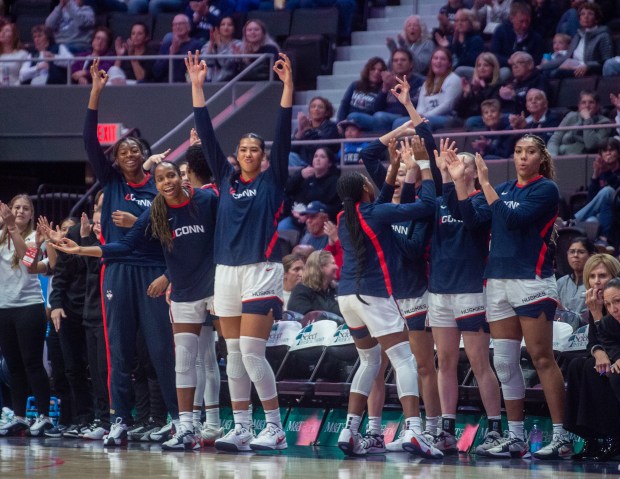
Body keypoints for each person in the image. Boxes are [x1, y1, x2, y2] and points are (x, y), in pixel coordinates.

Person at [55, 161, 219, 451]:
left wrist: (167, 276)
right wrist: (81, 248)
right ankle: (184, 426)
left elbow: (214, 242)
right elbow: (126, 245)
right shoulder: (157, 210)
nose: (167, 181)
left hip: (213, 284)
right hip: (184, 290)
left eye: (172, 175)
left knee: (222, 356)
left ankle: (231, 424)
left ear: (181, 178)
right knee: (183, 360)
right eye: (161, 179)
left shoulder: (205, 200)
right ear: (154, 184)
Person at [187, 50, 294, 451]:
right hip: (225, 272)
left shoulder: (273, 181)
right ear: (237, 155)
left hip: (261, 270)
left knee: (251, 353)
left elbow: (283, 134)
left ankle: (275, 427)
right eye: (244, 149)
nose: (249, 154)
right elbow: (207, 134)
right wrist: (198, 87)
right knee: (231, 354)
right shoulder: (226, 177)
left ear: (264, 157)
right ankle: (244, 427)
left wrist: (287, 89)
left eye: (256, 150)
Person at [82, 59, 179, 446]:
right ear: (116, 160)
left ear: (144, 154)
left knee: (160, 349)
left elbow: (169, 234)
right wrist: (96, 92)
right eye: (123, 151)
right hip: (118, 270)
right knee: (118, 350)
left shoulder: (159, 190)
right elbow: (89, 140)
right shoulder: (110, 182)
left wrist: (137, 220)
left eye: (135, 149)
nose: (130, 154)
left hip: (153, 271)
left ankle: (177, 418)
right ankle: (120, 418)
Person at [457, 134, 569, 459]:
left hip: (531, 281)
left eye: (530, 151)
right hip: (497, 282)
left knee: (541, 357)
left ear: (541, 158)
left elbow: (513, 218)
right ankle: (515, 436)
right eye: (518, 151)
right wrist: (462, 184)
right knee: (504, 361)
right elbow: (473, 220)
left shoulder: (545, 189)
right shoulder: (503, 189)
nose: (522, 157)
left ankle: (561, 435)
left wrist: (486, 184)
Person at [334, 129, 442, 458]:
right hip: (373, 295)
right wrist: (423, 164)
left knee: (368, 361)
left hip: (346, 298)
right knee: (404, 360)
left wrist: (394, 166)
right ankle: (413, 430)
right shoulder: (378, 213)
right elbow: (426, 205)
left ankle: (350, 430)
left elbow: (380, 199)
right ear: (365, 190)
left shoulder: (344, 217)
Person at [432, 146, 503, 457]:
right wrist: (444, 176)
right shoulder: (440, 201)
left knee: (478, 362)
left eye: (460, 161)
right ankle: (446, 430)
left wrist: (455, 182)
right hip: (439, 290)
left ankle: (496, 428)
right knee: (444, 362)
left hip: (471, 288)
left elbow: (471, 222)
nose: (454, 164)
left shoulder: (484, 201)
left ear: (474, 172)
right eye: (451, 161)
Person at [0, 196, 52, 437]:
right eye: (16, 207)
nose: (20, 211)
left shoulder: (34, 238)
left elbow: (29, 262)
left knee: (32, 363)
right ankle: (19, 416)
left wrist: (12, 228)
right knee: (14, 365)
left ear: (31, 214)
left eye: (25, 208)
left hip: (29, 306)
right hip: (4, 307)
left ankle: (43, 416)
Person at [565, 277, 620, 460]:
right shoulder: (604, 312)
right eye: (609, 304)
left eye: (602, 276)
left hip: (610, 365)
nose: (614, 309)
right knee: (578, 365)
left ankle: (612, 436)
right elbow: (597, 342)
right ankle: (590, 436)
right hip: (605, 358)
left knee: (606, 372)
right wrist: (600, 352)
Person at [539, 3, 613, 79]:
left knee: (555, 73)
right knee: (544, 71)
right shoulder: (578, 36)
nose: (586, 17)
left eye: (590, 14)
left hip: (588, 70)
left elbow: (606, 62)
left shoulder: (603, 36)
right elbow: (565, 57)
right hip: (573, 66)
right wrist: (540, 67)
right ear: (579, 19)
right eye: (582, 14)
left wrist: (588, 65)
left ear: (596, 19)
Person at [283, 147, 340, 231]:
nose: (318, 159)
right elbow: (287, 189)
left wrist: (309, 216)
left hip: (317, 222)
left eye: (322, 157)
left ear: (329, 163)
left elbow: (334, 208)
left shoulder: (334, 181)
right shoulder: (304, 176)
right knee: (280, 229)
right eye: (315, 156)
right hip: (295, 217)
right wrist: (300, 176)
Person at [572, 139, 620, 239]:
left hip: (617, 208)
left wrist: (607, 172)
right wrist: (595, 175)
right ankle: (602, 245)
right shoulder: (602, 173)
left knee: (608, 191)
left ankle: (574, 221)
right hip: (604, 212)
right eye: (605, 151)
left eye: (611, 150)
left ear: (618, 153)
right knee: (591, 221)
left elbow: (616, 188)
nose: (608, 153)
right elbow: (591, 201)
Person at [548, 90, 612, 156]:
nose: (587, 105)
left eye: (591, 102)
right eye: (583, 102)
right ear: (579, 106)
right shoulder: (571, 116)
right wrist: (553, 157)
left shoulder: (605, 122)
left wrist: (587, 119)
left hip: (581, 159)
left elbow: (591, 145)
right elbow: (555, 139)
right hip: (559, 156)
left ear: (597, 106)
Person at [415, 47, 463, 131]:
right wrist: (418, 116)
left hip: (448, 118)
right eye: (435, 58)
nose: (438, 61)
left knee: (424, 123)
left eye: (443, 59)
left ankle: (426, 144)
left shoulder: (454, 79)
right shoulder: (426, 83)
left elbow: (448, 106)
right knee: (400, 122)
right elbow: (420, 106)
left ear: (449, 63)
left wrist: (425, 116)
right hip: (427, 117)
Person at [556, 237, 595, 330]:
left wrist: (564, 311)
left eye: (581, 252)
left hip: (586, 333)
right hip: (562, 332)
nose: (575, 255)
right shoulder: (561, 282)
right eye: (572, 252)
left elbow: (589, 319)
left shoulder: (595, 283)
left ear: (590, 255)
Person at [287, 250, 340, 316]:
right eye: (333, 263)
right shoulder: (301, 290)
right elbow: (303, 318)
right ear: (320, 267)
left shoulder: (337, 289)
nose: (337, 267)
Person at [490, 2, 543, 69]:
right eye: (521, 21)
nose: (524, 25)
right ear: (512, 18)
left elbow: (537, 60)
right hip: (504, 67)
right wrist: (509, 61)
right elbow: (493, 55)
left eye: (527, 21)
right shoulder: (501, 31)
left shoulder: (536, 38)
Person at [456, 52, 502, 128]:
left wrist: (478, 92)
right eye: (479, 65)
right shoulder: (472, 84)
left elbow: (488, 110)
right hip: (468, 117)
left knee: (471, 122)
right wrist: (465, 94)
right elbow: (459, 111)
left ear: (493, 68)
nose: (481, 68)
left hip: (487, 119)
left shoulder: (498, 86)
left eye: (486, 65)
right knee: (451, 122)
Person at [153, 15, 203, 83]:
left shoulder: (196, 45)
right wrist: (171, 53)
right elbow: (157, 72)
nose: (178, 27)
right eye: (175, 25)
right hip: (165, 84)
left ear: (188, 27)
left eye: (181, 24)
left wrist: (176, 53)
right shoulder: (166, 45)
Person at [337, 57, 387, 126]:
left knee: (354, 116)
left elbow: (377, 110)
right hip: (350, 121)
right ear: (367, 70)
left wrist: (384, 90)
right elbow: (344, 104)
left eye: (380, 70)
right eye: (373, 69)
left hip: (368, 121)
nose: (376, 72)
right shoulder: (355, 85)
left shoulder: (383, 90)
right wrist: (339, 123)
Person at [290, 97, 339, 167]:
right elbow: (292, 150)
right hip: (301, 162)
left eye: (320, 107)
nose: (316, 109)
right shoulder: (304, 126)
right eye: (313, 106)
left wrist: (307, 130)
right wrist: (300, 132)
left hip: (321, 164)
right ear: (309, 111)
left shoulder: (331, 127)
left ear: (327, 112)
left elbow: (319, 148)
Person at [202, 16, 242, 83]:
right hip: (210, 81)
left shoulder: (238, 44)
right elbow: (205, 62)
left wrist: (220, 45)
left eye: (230, 25)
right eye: (223, 24)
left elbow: (225, 64)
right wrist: (211, 44)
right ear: (218, 28)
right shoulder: (209, 44)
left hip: (229, 81)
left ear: (234, 28)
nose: (226, 27)